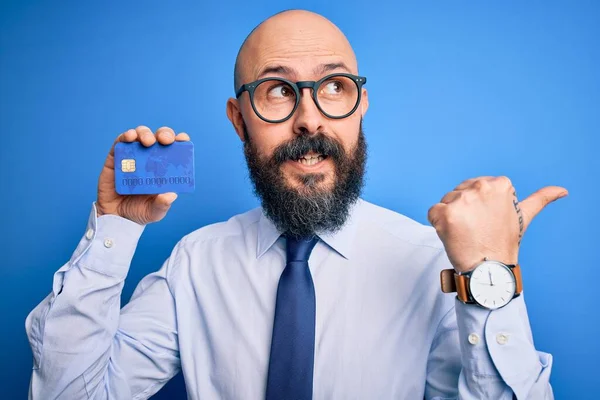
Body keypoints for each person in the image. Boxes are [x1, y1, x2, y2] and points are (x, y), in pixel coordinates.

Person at [26, 9, 567, 400]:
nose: (310, 118)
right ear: (239, 122)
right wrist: (115, 231)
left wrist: (490, 277)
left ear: (360, 108)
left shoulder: (432, 264)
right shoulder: (195, 263)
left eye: (334, 87)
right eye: (278, 91)